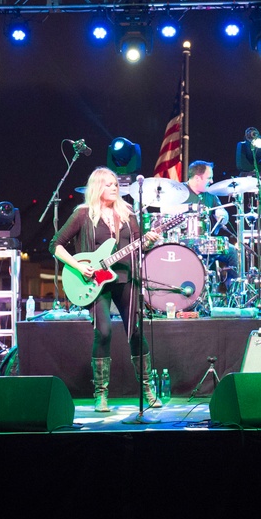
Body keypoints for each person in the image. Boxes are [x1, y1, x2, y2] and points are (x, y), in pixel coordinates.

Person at [51, 167, 161, 412]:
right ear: (98, 187)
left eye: (116, 184)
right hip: (95, 282)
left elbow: (138, 245)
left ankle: (148, 390)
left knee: (135, 331)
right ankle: (100, 395)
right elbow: (55, 245)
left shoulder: (128, 213)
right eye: (109, 184)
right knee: (103, 331)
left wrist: (149, 240)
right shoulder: (83, 214)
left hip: (125, 278)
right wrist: (78, 265)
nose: (115, 187)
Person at [178, 160, 240, 296]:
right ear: (197, 178)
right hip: (183, 243)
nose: (212, 181)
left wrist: (222, 214)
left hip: (206, 243)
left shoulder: (210, 194)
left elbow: (222, 212)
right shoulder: (178, 192)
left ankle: (231, 294)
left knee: (232, 252)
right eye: (209, 177)